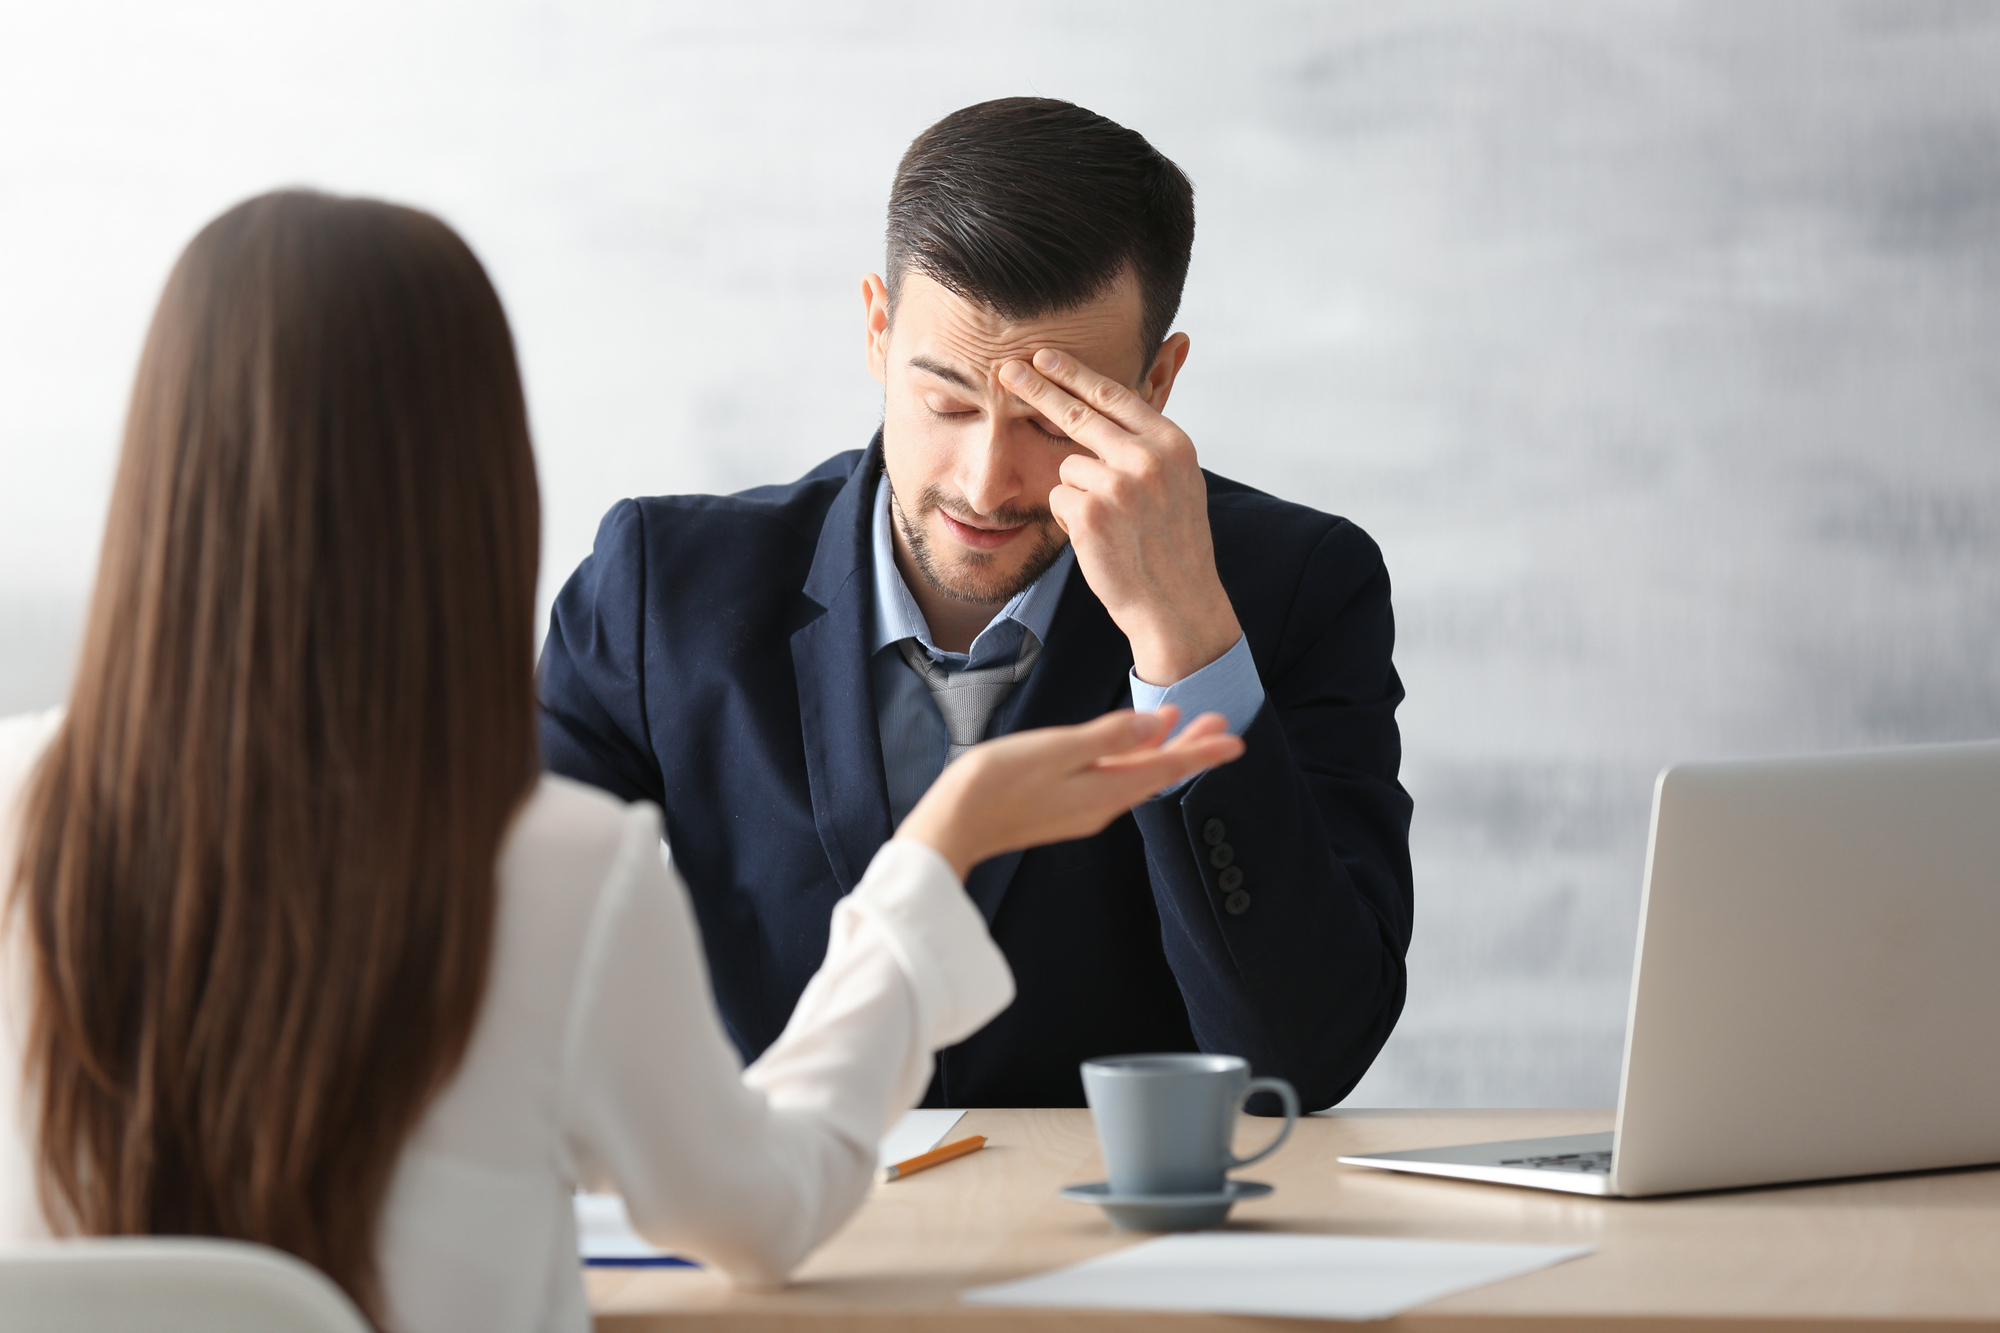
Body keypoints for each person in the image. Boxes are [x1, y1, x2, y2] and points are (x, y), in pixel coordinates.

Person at [0, 190, 1241, 1333]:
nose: (986, 469)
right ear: (479, 480)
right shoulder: (552, 866)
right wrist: (938, 848)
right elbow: (766, 1213)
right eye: (951, 401)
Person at [538, 97, 1414, 1111]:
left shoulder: (1297, 586)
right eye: (946, 402)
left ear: (1156, 381)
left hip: (1140, 1256)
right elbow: (486, 956)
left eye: (1055, 415)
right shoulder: (659, 589)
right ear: (875, 329)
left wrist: (1182, 646)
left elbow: (1299, 1061)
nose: (987, 481)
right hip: (783, 1234)